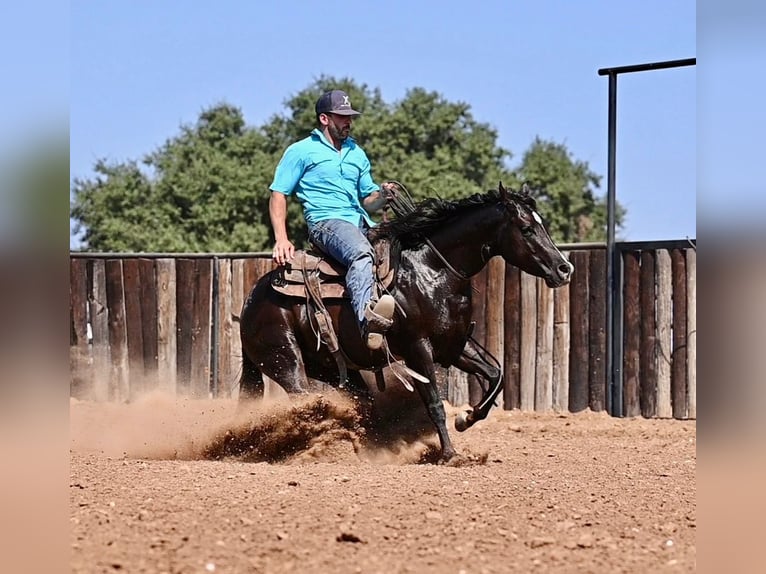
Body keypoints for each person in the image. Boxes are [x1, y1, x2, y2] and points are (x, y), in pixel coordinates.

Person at [268, 89, 396, 350]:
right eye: (342, 116)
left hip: (361, 222)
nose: (348, 121)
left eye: (350, 117)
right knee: (361, 254)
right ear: (325, 119)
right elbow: (278, 193)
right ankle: (367, 321)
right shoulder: (301, 151)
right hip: (326, 223)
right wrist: (281, 238)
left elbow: (368, 200)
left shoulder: (356, 152)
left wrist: (383, 194)